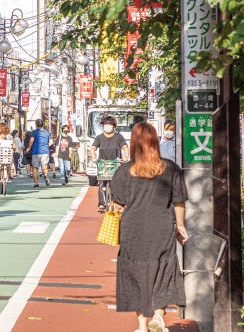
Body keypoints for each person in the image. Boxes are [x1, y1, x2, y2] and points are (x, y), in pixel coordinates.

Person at [110, 122, 188, 332]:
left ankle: (142, 326)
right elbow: (179, 200)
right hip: (161, 225)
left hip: (132, 229)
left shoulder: (125, 171)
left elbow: (118, 202)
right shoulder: (170, 168)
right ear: (156, 141)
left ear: (134, 143)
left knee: (136, 274)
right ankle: (159, 315)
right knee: (163, 269)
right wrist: (180, 225)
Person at [89, 115, 129, 212]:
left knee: (117, 184)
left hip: (116, 163)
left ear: (114, 126)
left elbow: (125, 147)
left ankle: (117, 202)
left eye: (110, 124)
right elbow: (93, 148)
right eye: (106, 124)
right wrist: (93, 156)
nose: (107, 126)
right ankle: (102, 204)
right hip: (103, 164)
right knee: (102, 183)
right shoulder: (99, 138)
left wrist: (126, 156)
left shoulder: (118, 137)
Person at [26, 119, 51, 188]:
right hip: (45, 151)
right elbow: (51, 142)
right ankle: (45, 175)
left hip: (36, 152)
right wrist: (46, 146)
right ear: (42, 124)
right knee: (44, 166)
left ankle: (36, 183)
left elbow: (31, 140)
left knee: (35, 168)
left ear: (36, 125)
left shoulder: (33, 132)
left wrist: (28, 148)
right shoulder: (46, 132)